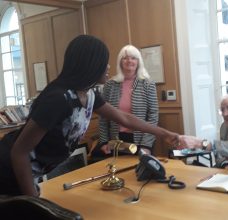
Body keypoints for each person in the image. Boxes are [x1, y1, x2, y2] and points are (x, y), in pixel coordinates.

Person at [0, 35, 178, 197]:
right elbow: (19, 152)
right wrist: (33, 202)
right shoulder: (58, 98)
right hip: (8, 172)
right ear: (90, 64)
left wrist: (166, 134)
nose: (108, 67)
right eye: (104, 62)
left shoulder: (89, 94)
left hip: (26, 174)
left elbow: (124, 118)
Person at [95, 44, 158, 157]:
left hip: (141, 140)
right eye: (125, 58)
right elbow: (103, 116)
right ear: (120, 62)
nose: (129, 61)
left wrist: (146, 145)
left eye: (133, 58)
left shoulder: (148, 84)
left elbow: (153, 116)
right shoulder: (110, 84)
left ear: (138, 62)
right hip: (116, 140)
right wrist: (103, 141)